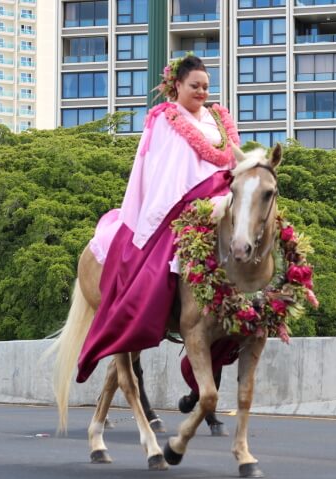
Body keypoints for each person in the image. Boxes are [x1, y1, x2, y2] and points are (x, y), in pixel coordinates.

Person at [76, 54, 242, 394]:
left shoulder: (217, 119)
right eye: (194, 86)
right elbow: (168, 171)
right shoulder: (165, 119)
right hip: (181, 202)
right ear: (177, 85)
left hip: (220, 196)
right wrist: (200, 196)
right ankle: (160, 313)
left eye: (206, 87)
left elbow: (231, 161)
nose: (201, 92)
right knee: (163, 264)